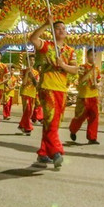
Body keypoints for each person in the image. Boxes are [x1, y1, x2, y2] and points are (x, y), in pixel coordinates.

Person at [28, 19, 78, 170]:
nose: (61, 30)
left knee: (53, 123)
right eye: (57, 28)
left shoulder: (70, 51)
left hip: (61, 90)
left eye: (64, 28)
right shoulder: (47, 46)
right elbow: (33, 39)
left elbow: (75, 70)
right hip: (47, 87)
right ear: (52, 31)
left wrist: (62, 65)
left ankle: (43, 153)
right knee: (50, 119)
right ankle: (56, 152)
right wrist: (45, 24)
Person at [69, 48, 101, 144]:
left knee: (94, 117)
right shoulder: (82, 67)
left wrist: (97, 85)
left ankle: (92, 137)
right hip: (84, 97)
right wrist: (91, 70)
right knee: (80, 117)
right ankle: (73, 129)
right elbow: (82, 81)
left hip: (94, 96)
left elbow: (98, 81)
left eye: (95, 55)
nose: (93, 57)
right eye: (91, 55)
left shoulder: (97, 69)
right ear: (87, 56)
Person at [17, 63, 41, 135]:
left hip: (32, 93)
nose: (32, 61)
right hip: (25, 92)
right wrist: (27, 73)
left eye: (33, 60)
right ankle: (27, 128)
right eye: (30, 60)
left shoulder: (36, 72)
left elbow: (36, 84)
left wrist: (32, 75)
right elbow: (24, 83)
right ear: (27, 61)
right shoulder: (23, 71)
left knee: (29, 112)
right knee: (26, 110)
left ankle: (22, 125)